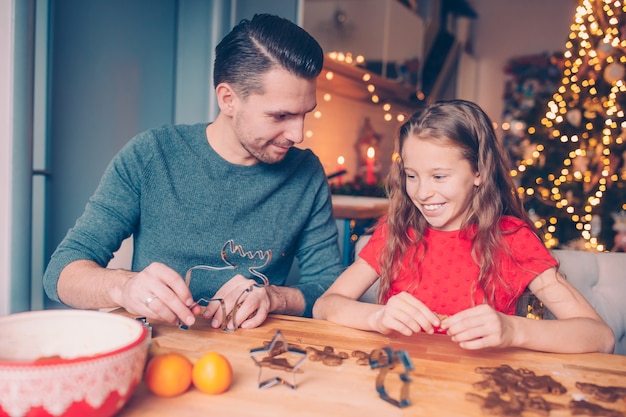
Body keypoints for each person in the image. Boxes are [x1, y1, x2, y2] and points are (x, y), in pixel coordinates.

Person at [43, 14, 343, 330]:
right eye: (281, 115)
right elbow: (60, 273)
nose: (298, 134)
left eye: (304, 114)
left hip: (257, 356)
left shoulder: (306, 172)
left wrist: (275, 297)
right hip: (161, 356)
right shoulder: (151, 155)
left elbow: (330, 288)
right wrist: (124, 286)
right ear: (228, 99)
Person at [313, 99, 615, 354]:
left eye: (439, 177)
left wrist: (513, 330)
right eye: (412, 175)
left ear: (479, 173)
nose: (421, 192)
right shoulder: (397, 231)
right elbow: (326, 306)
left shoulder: (511, 239)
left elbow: (601, 337)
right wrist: (378, 317)